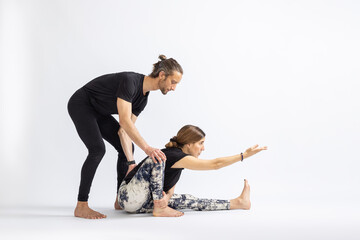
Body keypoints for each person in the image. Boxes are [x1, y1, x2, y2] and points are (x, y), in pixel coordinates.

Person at [67, 55, 183, 219]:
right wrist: (148, 149)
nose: (174, 88)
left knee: (127, 148)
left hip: (99, 112)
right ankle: (81, 205)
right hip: (82, 104)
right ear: (162, 75)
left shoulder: (143, 99)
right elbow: (124, 120)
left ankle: (119, 200)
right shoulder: (130, 81)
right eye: (173, 82)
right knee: (97, 149)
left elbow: (124, 131)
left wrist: (131, 162)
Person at [118, 125, 268, 217]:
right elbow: (216, 164)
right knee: (158, 157)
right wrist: (244, 155)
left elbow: (169, 190)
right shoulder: (171, 155)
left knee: (189, 199)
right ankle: (160, 209)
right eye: (201, 143)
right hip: (128, 197)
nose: (203, 148)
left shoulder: (179, 162)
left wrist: (166, 198)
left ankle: (238, 203)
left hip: (140, 204)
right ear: (189, 144)